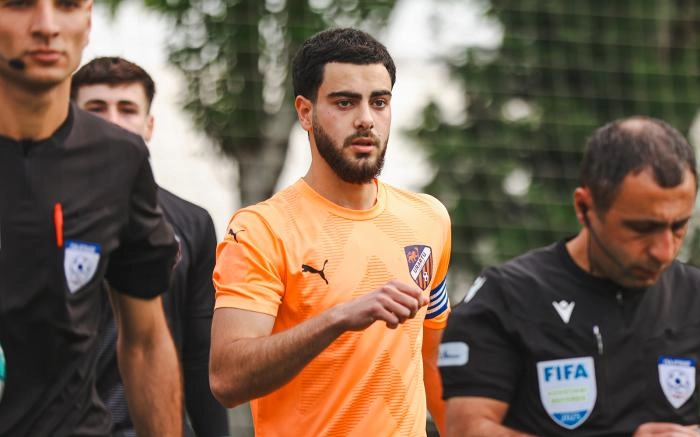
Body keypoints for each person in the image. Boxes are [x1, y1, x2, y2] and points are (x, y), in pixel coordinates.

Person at [209, 27, 452, 436]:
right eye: (345, 102)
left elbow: (435, 360)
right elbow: (226, 378)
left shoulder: (429, 218)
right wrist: (337, 318)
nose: (366, 119)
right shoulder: (260, 230)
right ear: (305, 112)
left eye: (379, 102)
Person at [439, 116, 700, 436]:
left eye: (679, 226)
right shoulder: (507, 297)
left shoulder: (694, 295)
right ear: (584, 207)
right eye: (642, 228)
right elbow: (467, 429)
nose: (664, 251)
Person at [0, 1, 183, 436]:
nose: (46, 26)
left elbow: (145, 342)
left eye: (66, 5)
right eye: (20, 3)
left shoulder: (119, 159)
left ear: (87, 19)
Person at [71, 57, 229, 437]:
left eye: (127, 109)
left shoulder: (192, 222)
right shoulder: (34, 213)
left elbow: (198, 354)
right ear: (71, 120)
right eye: (96, 108)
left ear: (149, 125)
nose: (112, 121)